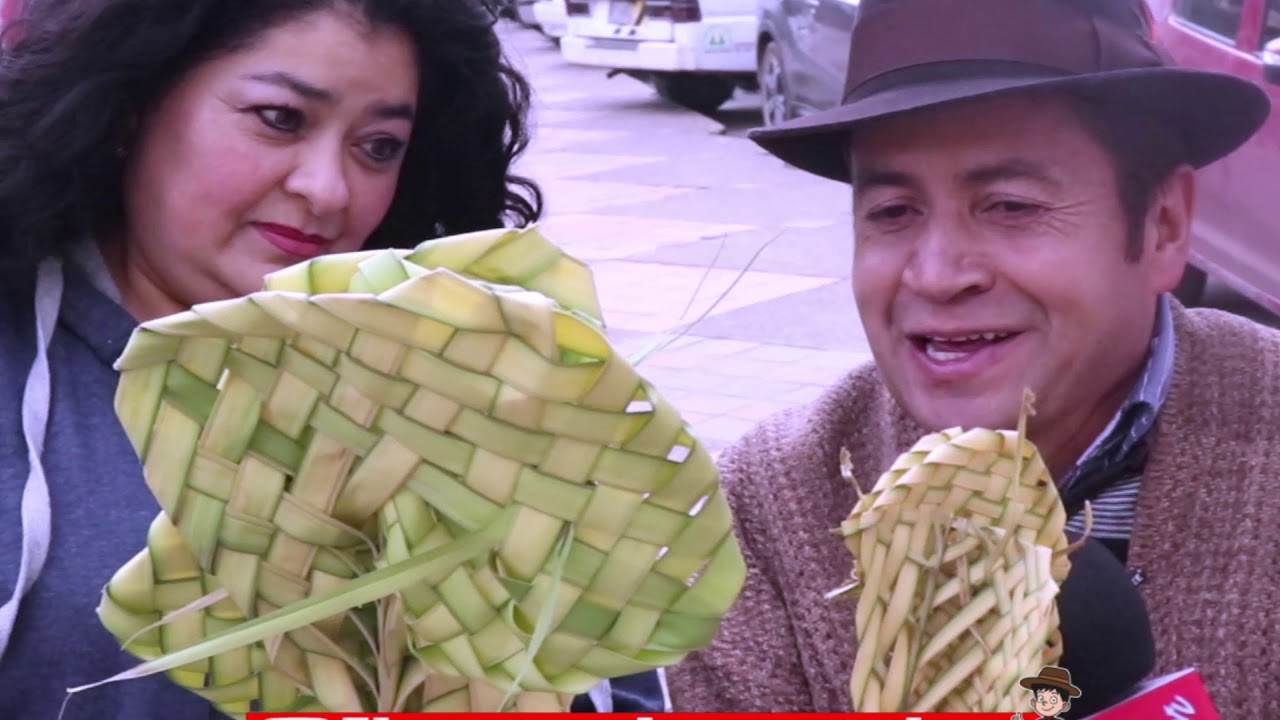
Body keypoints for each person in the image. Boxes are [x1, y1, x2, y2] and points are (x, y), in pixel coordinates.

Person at [0, 1, 663, 717]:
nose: (328, 189)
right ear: (133, 103)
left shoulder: (453, 378)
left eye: (378, 146)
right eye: (280, 118)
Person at [665, 0, 1279, 716]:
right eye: (893, 213)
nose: (935, 274)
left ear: (1165, 226)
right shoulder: (769, 505)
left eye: (1010, 206)